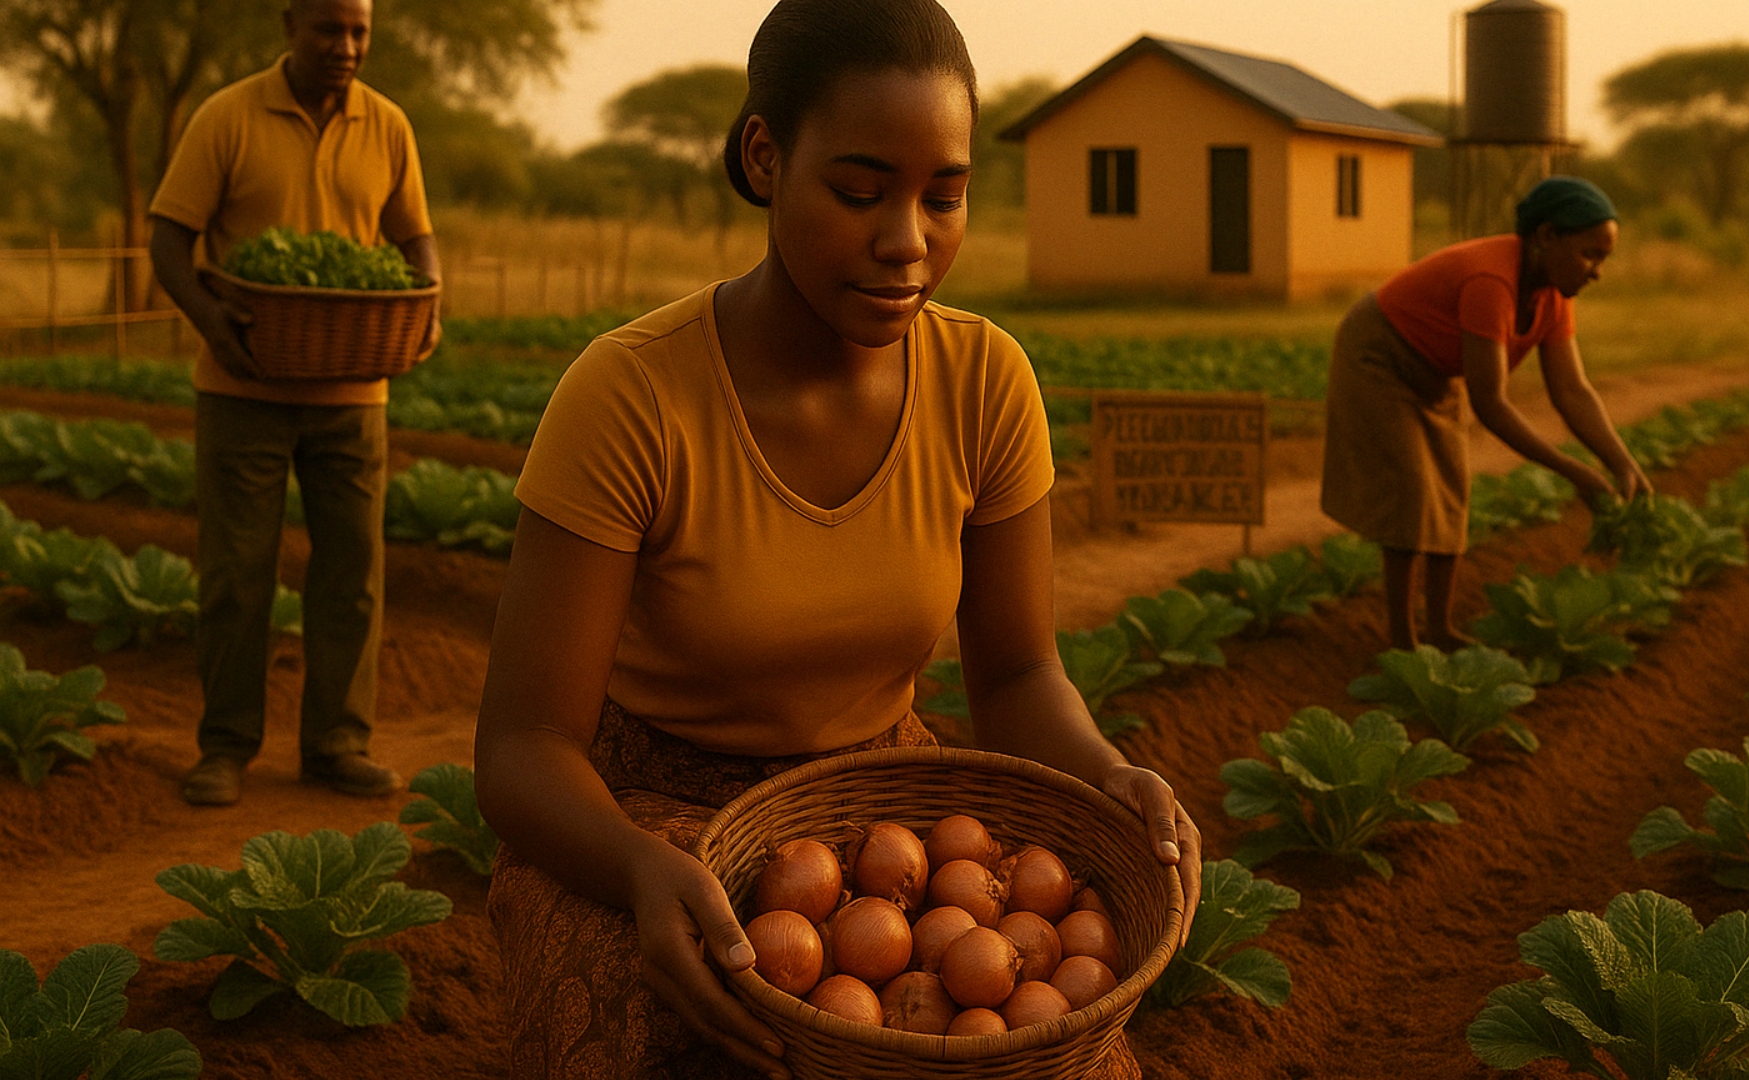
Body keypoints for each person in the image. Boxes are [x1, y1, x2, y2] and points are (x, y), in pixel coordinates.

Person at [472, 1, 1201, 1077]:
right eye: (859, 192)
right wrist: (634, 868)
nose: (907, 240)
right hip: (642, 815)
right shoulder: (630, 396)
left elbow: (1018, 672)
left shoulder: (985, 382)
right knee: (675, 1030)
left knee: (1032, 1039)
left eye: (943, 197)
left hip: (880, 819)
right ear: (765, 157)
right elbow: (523, 747)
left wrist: (1107, 772)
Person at [147, 0, 439, 806]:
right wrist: (212, 320)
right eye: (328, 30)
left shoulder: (388, 125)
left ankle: (337, 744)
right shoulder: (227, 116)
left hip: (354, 390)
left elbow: (414, 236)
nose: (346, 47)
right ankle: (226, 745)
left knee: (353, 573)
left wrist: (427, 300)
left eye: (359, 32)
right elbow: (169, 236)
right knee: (236, 574)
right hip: (242, 388)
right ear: (289, 25)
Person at [1319, 176, 1650, 652]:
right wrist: (1575, 471)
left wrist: (1622, 463)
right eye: (1590, 255)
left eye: (1604, 258)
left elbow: (1573, 390)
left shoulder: (1555, 295)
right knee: (1414, 491)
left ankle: (1439, 629)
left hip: (1436, 367)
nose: (1597, 271)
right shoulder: (1490, 280)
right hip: (1380, 355)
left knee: (1452, 490)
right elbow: (1491, 403)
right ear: (1546, 237)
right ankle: (1402, 641)